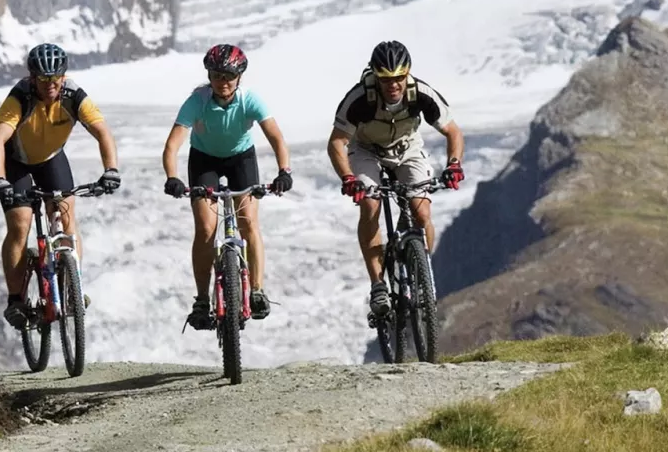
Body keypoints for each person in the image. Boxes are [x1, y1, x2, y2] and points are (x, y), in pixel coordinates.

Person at [327, 40, 465, 321]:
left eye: (399, 78)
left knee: (421, 210)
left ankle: (420, 269)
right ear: (376, 76)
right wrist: (349, 178)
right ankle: (378, 284)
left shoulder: (421, 93)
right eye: (386, 80)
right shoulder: (359, 99)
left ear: (408, 74)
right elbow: (336, 143)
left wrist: (453, 165)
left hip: (407, 149)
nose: (394, 85)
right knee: (370, 206)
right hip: (366, 151)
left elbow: (453, 132)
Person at [0, 42, 120, 329]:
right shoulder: (20, 97)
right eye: (43, 79)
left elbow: (102, 132)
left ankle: (72, 286)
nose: (50, 84)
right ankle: (16, 300)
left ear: (63, 75)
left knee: (67, 221)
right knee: (20, 223)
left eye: (55, 78)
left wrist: (111, 170)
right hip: (16, 161)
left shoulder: (74, 96)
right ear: (33, 77)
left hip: (50, 159)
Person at [161, 43, 294, 328]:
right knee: (206, 229)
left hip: (241, 160)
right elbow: (172, 145)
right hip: (204, 161)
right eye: (217, 76)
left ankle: (257, 291)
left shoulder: (250, 100)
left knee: (248, 224)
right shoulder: (197, 101)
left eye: (229, 77)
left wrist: (284, 171)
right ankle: (201, 300)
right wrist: (172, 177)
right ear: (209, 76)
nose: (223, 82)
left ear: (239, 78)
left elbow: (276, 138)